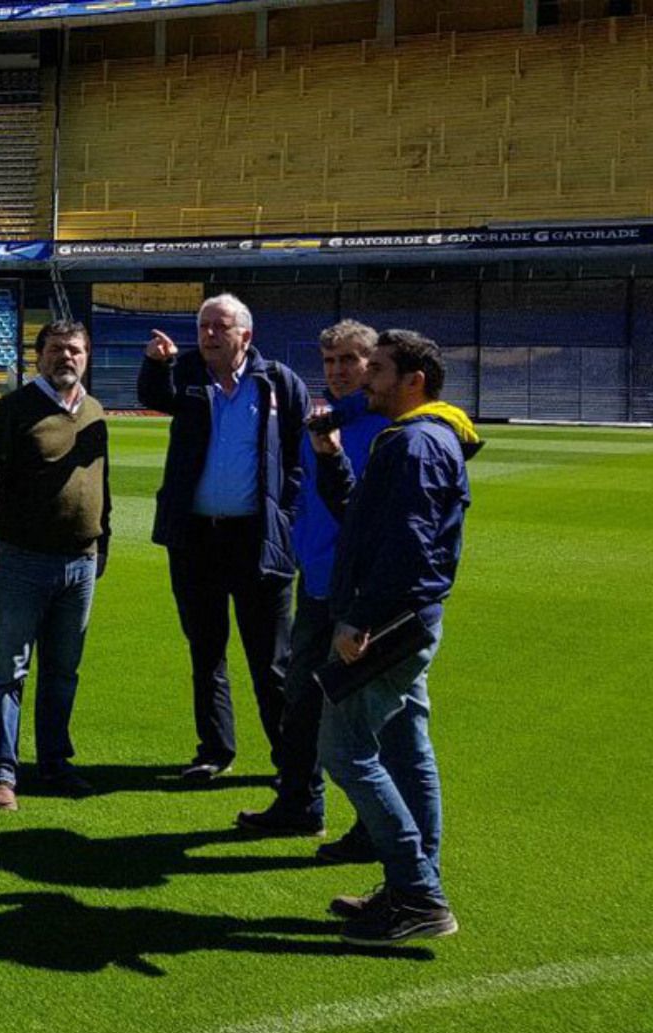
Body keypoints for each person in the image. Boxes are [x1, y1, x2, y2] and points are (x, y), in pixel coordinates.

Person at [310, 328, 479, 946]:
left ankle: (417, 894)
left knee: (345, 749)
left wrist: (362, 620)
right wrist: (330, 457)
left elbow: (409, 548)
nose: (365, 379)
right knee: (407, 749)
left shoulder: (415, 444)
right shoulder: (417, 440)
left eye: (377, 368)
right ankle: (412, 885)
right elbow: (362, 520)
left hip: (390, 624)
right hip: (405, 619)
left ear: (413, 381)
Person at [139, 293, 309, 783]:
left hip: (258, 541)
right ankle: (215, 750)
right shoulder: (187, 372)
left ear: (245, 336)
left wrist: (286, 513)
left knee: (272, 662)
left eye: (220, 327)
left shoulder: (278, 382)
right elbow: (154, 397)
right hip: (195, 540)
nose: (209, 335)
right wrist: (155, 365)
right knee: (206, 652)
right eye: (203, 326)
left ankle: (290, 762)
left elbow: (299, 458)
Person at [237, 321, 388, 862]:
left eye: (349, 360)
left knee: (365, 718)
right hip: (317, 584)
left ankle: (378, 828)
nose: (338, 371)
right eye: (329, 362)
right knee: (299, 702)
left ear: (374, 364)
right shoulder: (320, 422)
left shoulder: (389, 426)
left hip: (363, 595)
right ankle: (300, 803)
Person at [0, 320, 111, 809]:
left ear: (86, 357)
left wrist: (103, 539)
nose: (67, 357)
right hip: (23, 559)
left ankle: (55, 763)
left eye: (76, 350)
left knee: (64, 671)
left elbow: (101, 482)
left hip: (81, 562)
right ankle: (1, 771)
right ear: (38, 355)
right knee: (9, 670)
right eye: (58, 349)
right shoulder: (14, 409)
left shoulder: (95, 411)